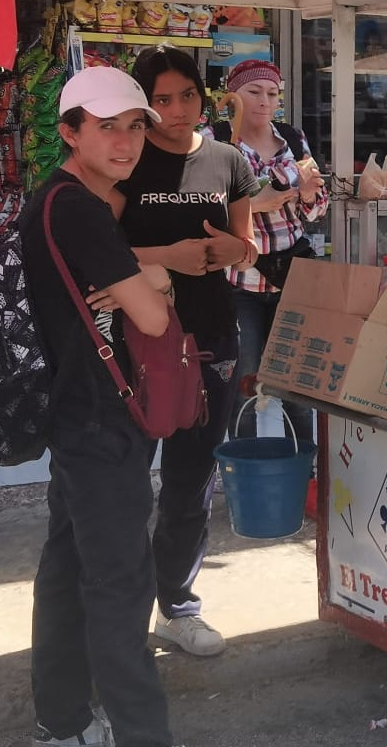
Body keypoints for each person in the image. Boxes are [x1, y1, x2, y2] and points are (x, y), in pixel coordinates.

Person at [22, 66, 176, 747]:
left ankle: (61, 721)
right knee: (119, 584)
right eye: (105, 127)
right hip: (102, 422)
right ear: (69, 131)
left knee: (67, 568)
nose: (124, 141)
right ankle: (142, 735)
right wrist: (159, 284)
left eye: (134, 125)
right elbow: (151, 318)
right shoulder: (80, 208)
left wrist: (148, 276)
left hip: (75, 413)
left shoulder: (54, 199)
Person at [113, 45, 260, 658]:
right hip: (137, 344)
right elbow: (94, 253)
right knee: (121, 481)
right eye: (162, 100)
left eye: (188, 96)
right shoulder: (127, 161)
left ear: (205, 97)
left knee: (191, 479)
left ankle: (176, 604)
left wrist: (235, 251)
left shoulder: (230, 161)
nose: (177, 111)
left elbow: (245, 245)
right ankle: (117, 613)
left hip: (213, 341)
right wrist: (164, 258)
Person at [210, 59, 328, 442]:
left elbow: (315, 209)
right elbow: (204, 206)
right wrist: (256, 205)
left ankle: (303, 469)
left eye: (272, 94)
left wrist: (309, 194)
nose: (264, 101)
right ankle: (243, 463)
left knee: (295, 378)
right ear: (233, 96)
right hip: (239, 278)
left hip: (291, 273)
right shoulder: (215, 139)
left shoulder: (292, 139)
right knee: (244, 379)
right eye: (253, 92)